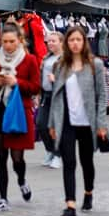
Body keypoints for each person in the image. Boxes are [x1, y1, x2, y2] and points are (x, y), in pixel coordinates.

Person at [49, 26, 108, 216]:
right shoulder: (60, 66)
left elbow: (102, 95)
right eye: (71, 40)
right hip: (67, 121)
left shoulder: (95, 65)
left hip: (88, 123)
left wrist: (101, 123)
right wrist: (52, 123)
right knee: (69, 162)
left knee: (86, 161)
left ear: (84, 42)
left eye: (78, 40)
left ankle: (88, 191)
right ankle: (70, 205)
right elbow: (55, 98)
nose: (75, 43)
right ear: (67, 43)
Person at [0, 22, 40, 212]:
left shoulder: (29, 60)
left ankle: (22, 180)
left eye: (11, 41)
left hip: (18, 113)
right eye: (4, 41)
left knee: (17, 159)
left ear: (20, 41)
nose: (7, 45)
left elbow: (35, 87)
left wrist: (17, 82)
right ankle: (2, 198)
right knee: (0, 158)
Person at [38, 31, 64, 169]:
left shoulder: (65, 59)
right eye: (48, 41)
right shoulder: (46, 57)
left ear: (61, 42)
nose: (50, 44)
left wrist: (56, 80)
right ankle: (51, 151)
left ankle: (58, 155)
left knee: (56, 127)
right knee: (41, 124)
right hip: (46, 95)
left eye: (53, 41)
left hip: (59, 97)